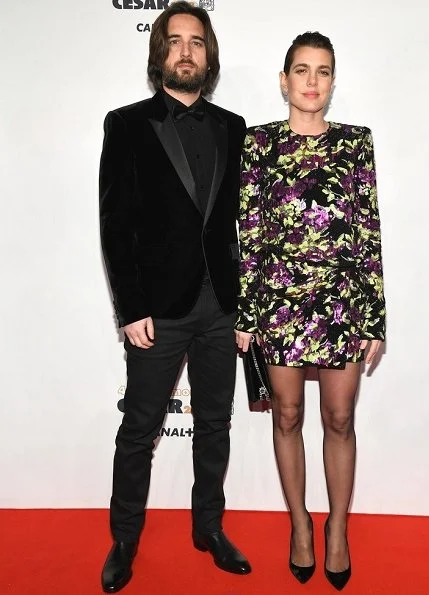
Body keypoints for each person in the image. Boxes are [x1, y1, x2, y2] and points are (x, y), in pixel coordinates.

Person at [99, 2, 250, 592]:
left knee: (215, 422)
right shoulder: (127, 123)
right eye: (175, 41)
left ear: (209, 55)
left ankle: (208, 528)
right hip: (156, 311)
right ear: (159, 51)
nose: (187, 51)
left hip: (222, 307)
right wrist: (129, 307)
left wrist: (248, 309)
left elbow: (248, 225)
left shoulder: (234, 128)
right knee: (139, 428)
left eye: (197, 41)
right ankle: (125, 538)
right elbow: (116, 223)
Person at [235, 32, 386, 590]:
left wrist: (375, 319)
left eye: (323, 71)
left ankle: (338, 530)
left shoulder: (356, 143)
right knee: (287, 416)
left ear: (332, 81)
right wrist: (247, 315)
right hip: (279, 305)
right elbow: (249, 235)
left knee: (339, 419)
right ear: (284, 80)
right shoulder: (258, 144)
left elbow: (367, 232)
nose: (312, 82)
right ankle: (300, 526)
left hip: (343, 304)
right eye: (302, 70)